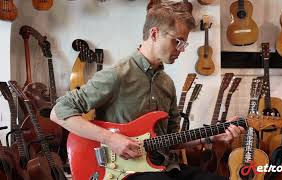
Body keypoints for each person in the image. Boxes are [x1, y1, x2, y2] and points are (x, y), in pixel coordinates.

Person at [50, 1, 245, 180]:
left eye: (184, 43)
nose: (182, 49)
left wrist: (212, 136)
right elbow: (58, 112)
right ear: (154, 34)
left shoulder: (166, 83)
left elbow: (172, 139)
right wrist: (110, 138)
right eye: (178, 41)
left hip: (165, 167)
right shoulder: (117, 75)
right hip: (124, 171)